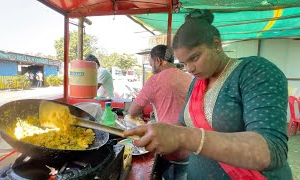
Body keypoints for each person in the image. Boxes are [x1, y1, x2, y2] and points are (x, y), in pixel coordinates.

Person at [124, 9, 292, 180]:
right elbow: (183, 125)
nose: (189, 68)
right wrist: (159, 131)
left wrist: (181, 136)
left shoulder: (254, 71)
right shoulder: (198, 82)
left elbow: (271, 151)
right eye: (184, 63)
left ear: (217, 44)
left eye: (194, 58)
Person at [128, 44, 192, 180]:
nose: (152, 68)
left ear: (158, 61)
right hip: (191, 146)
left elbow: (132, 111)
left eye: (151, 64)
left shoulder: (155, 80)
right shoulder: (189, 78)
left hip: (170, 150)